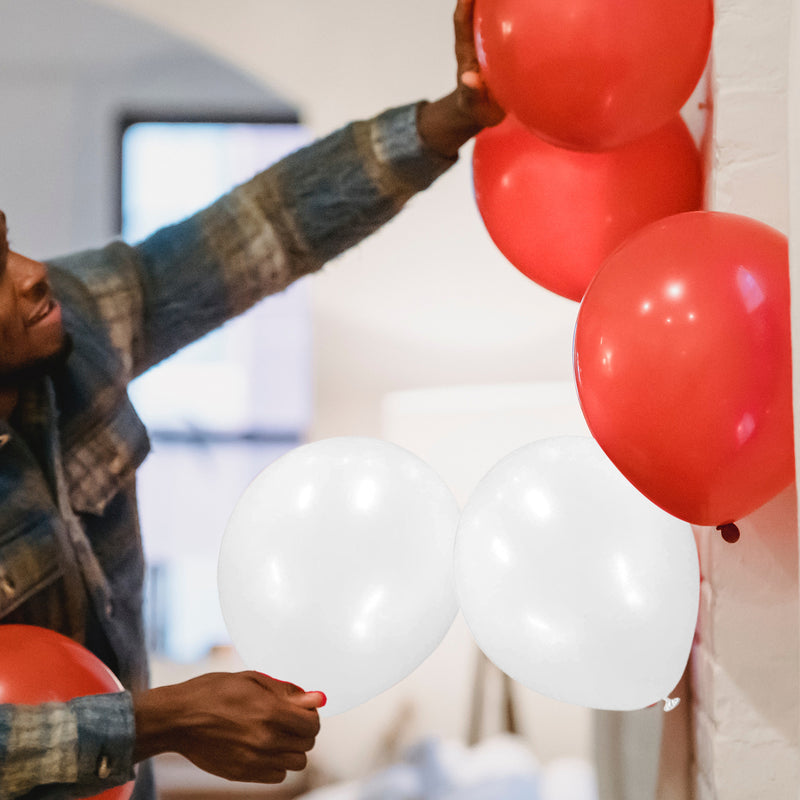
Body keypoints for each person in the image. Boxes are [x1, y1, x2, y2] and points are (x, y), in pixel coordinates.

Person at [0, 1, 503, 798]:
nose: (30, 272)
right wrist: (158, 721)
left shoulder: (73, 323)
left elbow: (262, 226)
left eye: (5, 238)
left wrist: (447, 121)